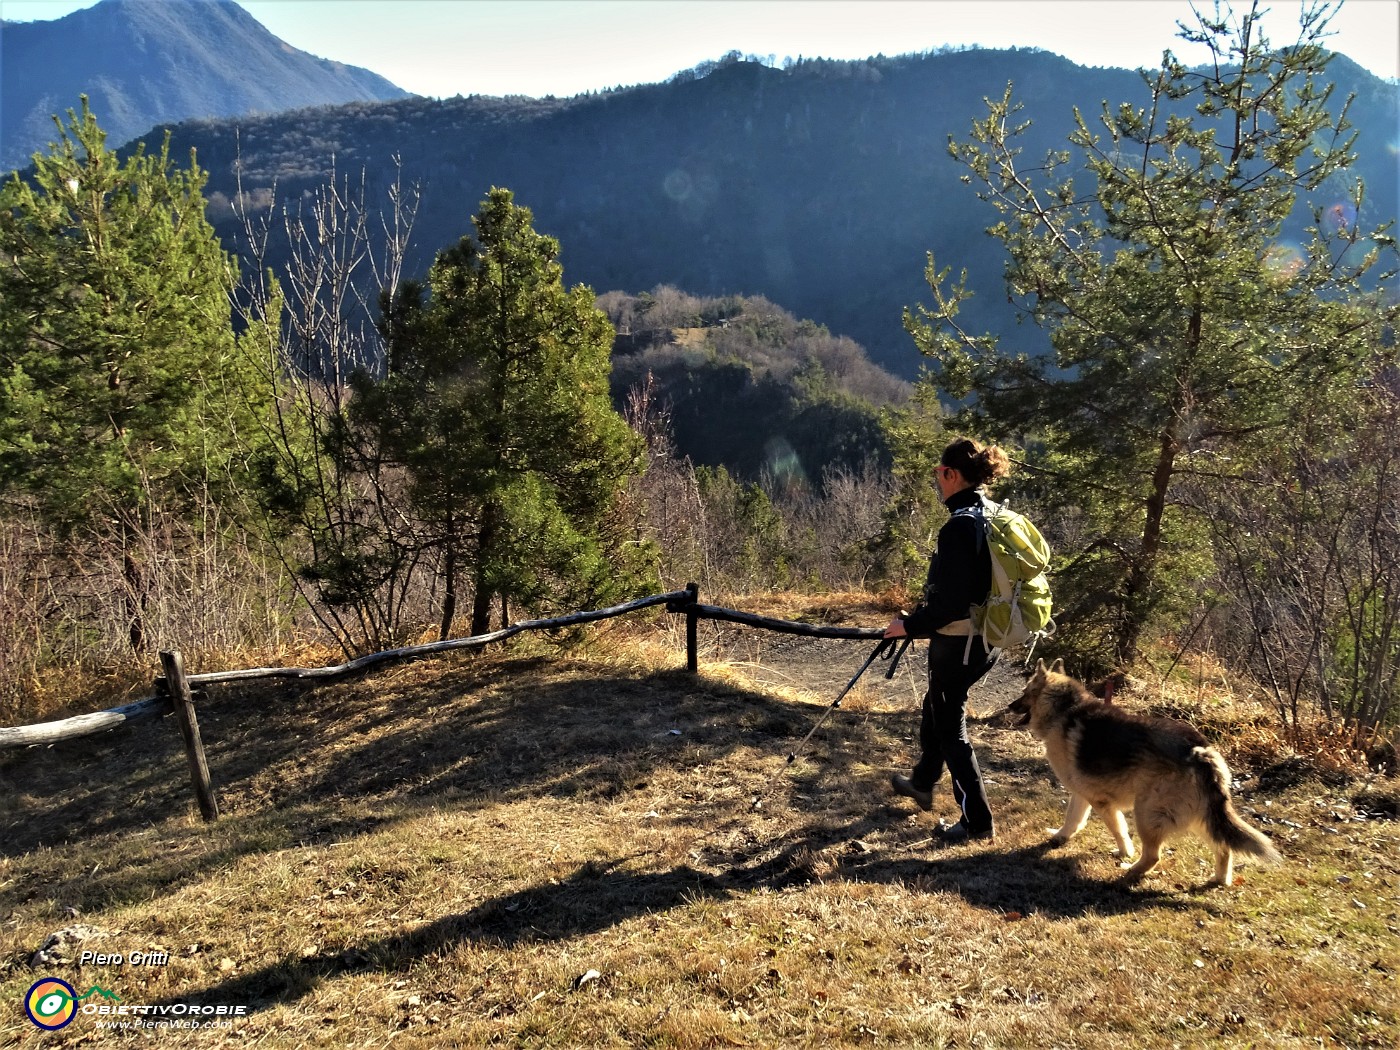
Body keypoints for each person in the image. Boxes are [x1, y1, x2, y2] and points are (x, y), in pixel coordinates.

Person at [884, 437, 1011, 844]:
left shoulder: (959, 526)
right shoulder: (991, 514)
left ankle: (977, 822)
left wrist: (909, 625)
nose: (938, 481)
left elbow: (951, 604)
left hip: (958, 642)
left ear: (952, 474)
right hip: (985, 638)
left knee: (951, 726)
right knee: (937, 707)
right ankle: (922, 780)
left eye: (940, 474)